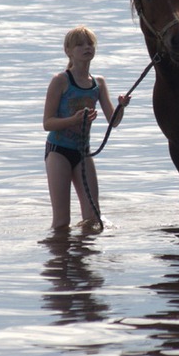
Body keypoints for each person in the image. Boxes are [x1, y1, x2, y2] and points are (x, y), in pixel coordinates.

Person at [44, 26, 130, 232]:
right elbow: (47, 123)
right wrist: (72, 120)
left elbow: (114, 121)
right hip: (59, 151)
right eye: (80, 44)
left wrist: (121, 106)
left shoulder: (98, 83)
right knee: (61, 221)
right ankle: (60, 261)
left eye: (90, 43)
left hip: (83, 152)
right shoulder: (60, 80)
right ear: (68, 51)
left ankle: (85, 260)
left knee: (93, 218)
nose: (86, 47)